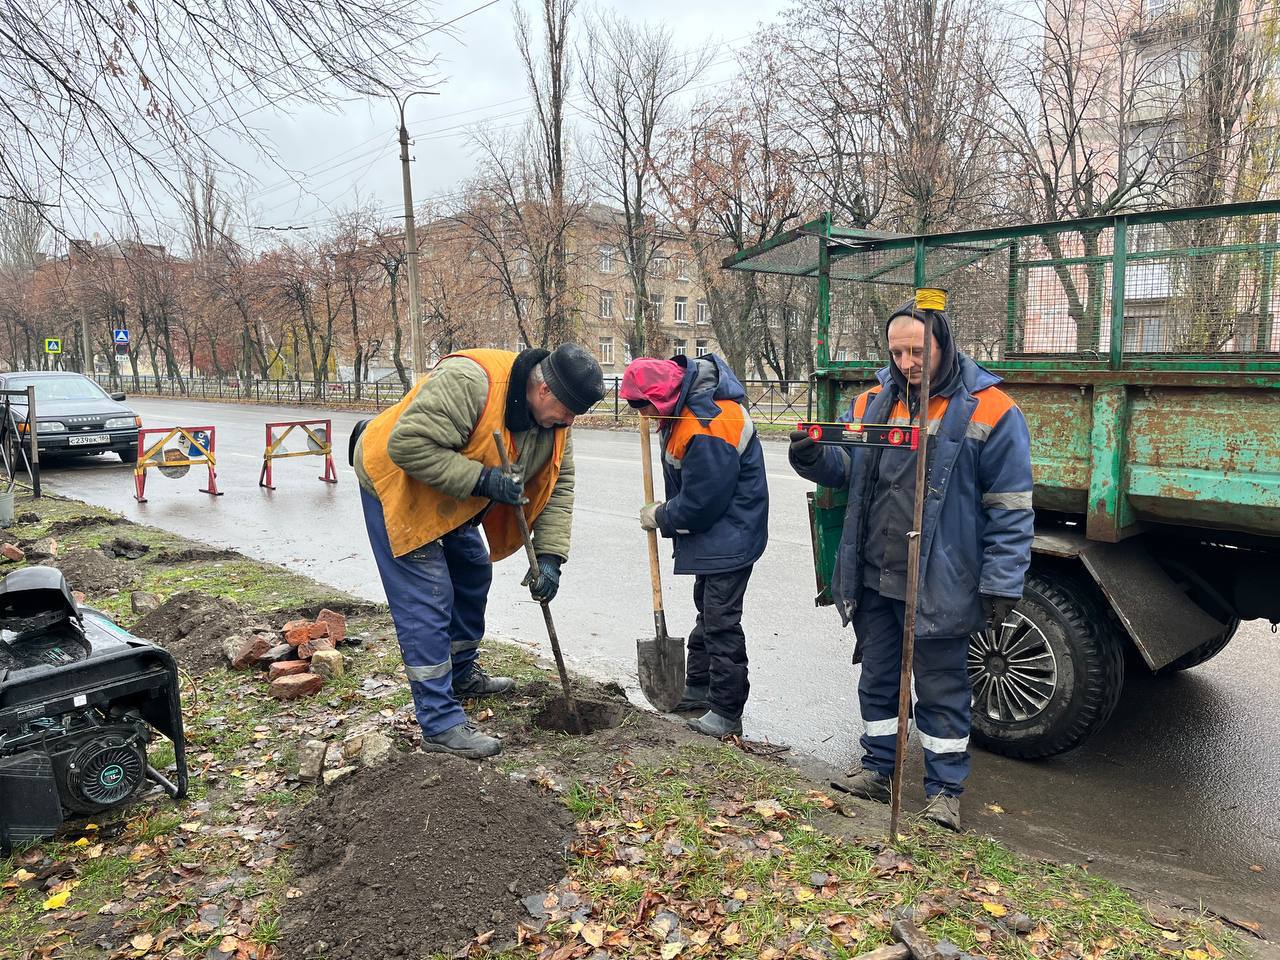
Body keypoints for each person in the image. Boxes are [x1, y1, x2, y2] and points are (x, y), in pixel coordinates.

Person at [788, 297, 1033, 830]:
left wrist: (1001, 580)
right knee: (878, 677)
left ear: (942, 344)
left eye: (917, 350)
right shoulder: (874, 403)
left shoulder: (990, 410)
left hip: (940, 579)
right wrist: (810, 456)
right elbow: (847, 469)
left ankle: (945, 790)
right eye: (897, 351)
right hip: (877, 573)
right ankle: (879, 769)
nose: (906, 362)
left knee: (942, 686)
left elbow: (1010, 508)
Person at [354, 344, 604, 759]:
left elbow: (559, 484)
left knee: (472, 570)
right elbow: (409, 445)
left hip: (454, 492)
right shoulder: (471, 382)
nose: (570, 421)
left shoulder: (558, 420)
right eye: (567, 411)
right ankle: (440, 723)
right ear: (543, 390)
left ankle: (460, 674)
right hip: (397, 481)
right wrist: (484, 481)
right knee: (429, 598)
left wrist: (550, 558)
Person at [620, 353, 769, 738]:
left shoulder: (708, 423)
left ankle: (726, 709)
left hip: (731, 534)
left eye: (647, 409)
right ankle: (700, 686)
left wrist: (663, 515)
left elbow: (703, 503)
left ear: (662, 396)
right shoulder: (685, 410)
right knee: (708, 608)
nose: (647, 418)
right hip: (720, 534)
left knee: (720, 620)